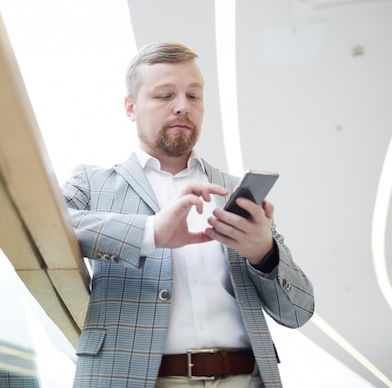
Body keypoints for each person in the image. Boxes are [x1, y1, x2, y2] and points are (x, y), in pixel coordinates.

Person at [61, 42, 314, 388]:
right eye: (165, 95)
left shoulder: (236, 191)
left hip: (245, 379)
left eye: (193, 96)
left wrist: (265, 254)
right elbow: (49, 226)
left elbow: (298, 312)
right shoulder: (93, 182)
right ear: (130, 107)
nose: (182, 107)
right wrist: (151, 232)